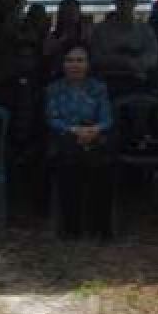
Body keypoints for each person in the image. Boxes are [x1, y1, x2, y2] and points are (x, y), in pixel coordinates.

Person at [46, 44, 114, 241]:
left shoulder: (98, 88)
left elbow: (107, 118)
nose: (75, 65)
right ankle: (71, 227)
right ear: (63, 64)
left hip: (94, 137)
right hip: (66, 137)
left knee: (102, 166)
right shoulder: (54, 89)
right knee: (70, 164)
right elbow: (52, 118)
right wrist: (73, 130)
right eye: (70, 60)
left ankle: (101, 227)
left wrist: (94, 130)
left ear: (88, 64)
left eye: (80, 60)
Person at [89, 0, 158, 100]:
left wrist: (135, 63)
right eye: (122, 0)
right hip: (106, 83)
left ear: (135, 3)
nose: (125, 4)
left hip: (138, 83)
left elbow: (153, 57)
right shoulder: (101, 30)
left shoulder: (145, 30)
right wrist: (122, 61)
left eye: (129, 0)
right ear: (116, 2)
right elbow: (95, 57)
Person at [44, 0, 91, 82]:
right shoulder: (53, 36)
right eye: (67, 11)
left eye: (73, 11)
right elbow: (46, 55)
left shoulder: (87, 34)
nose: (70, 15)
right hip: (59, 77)